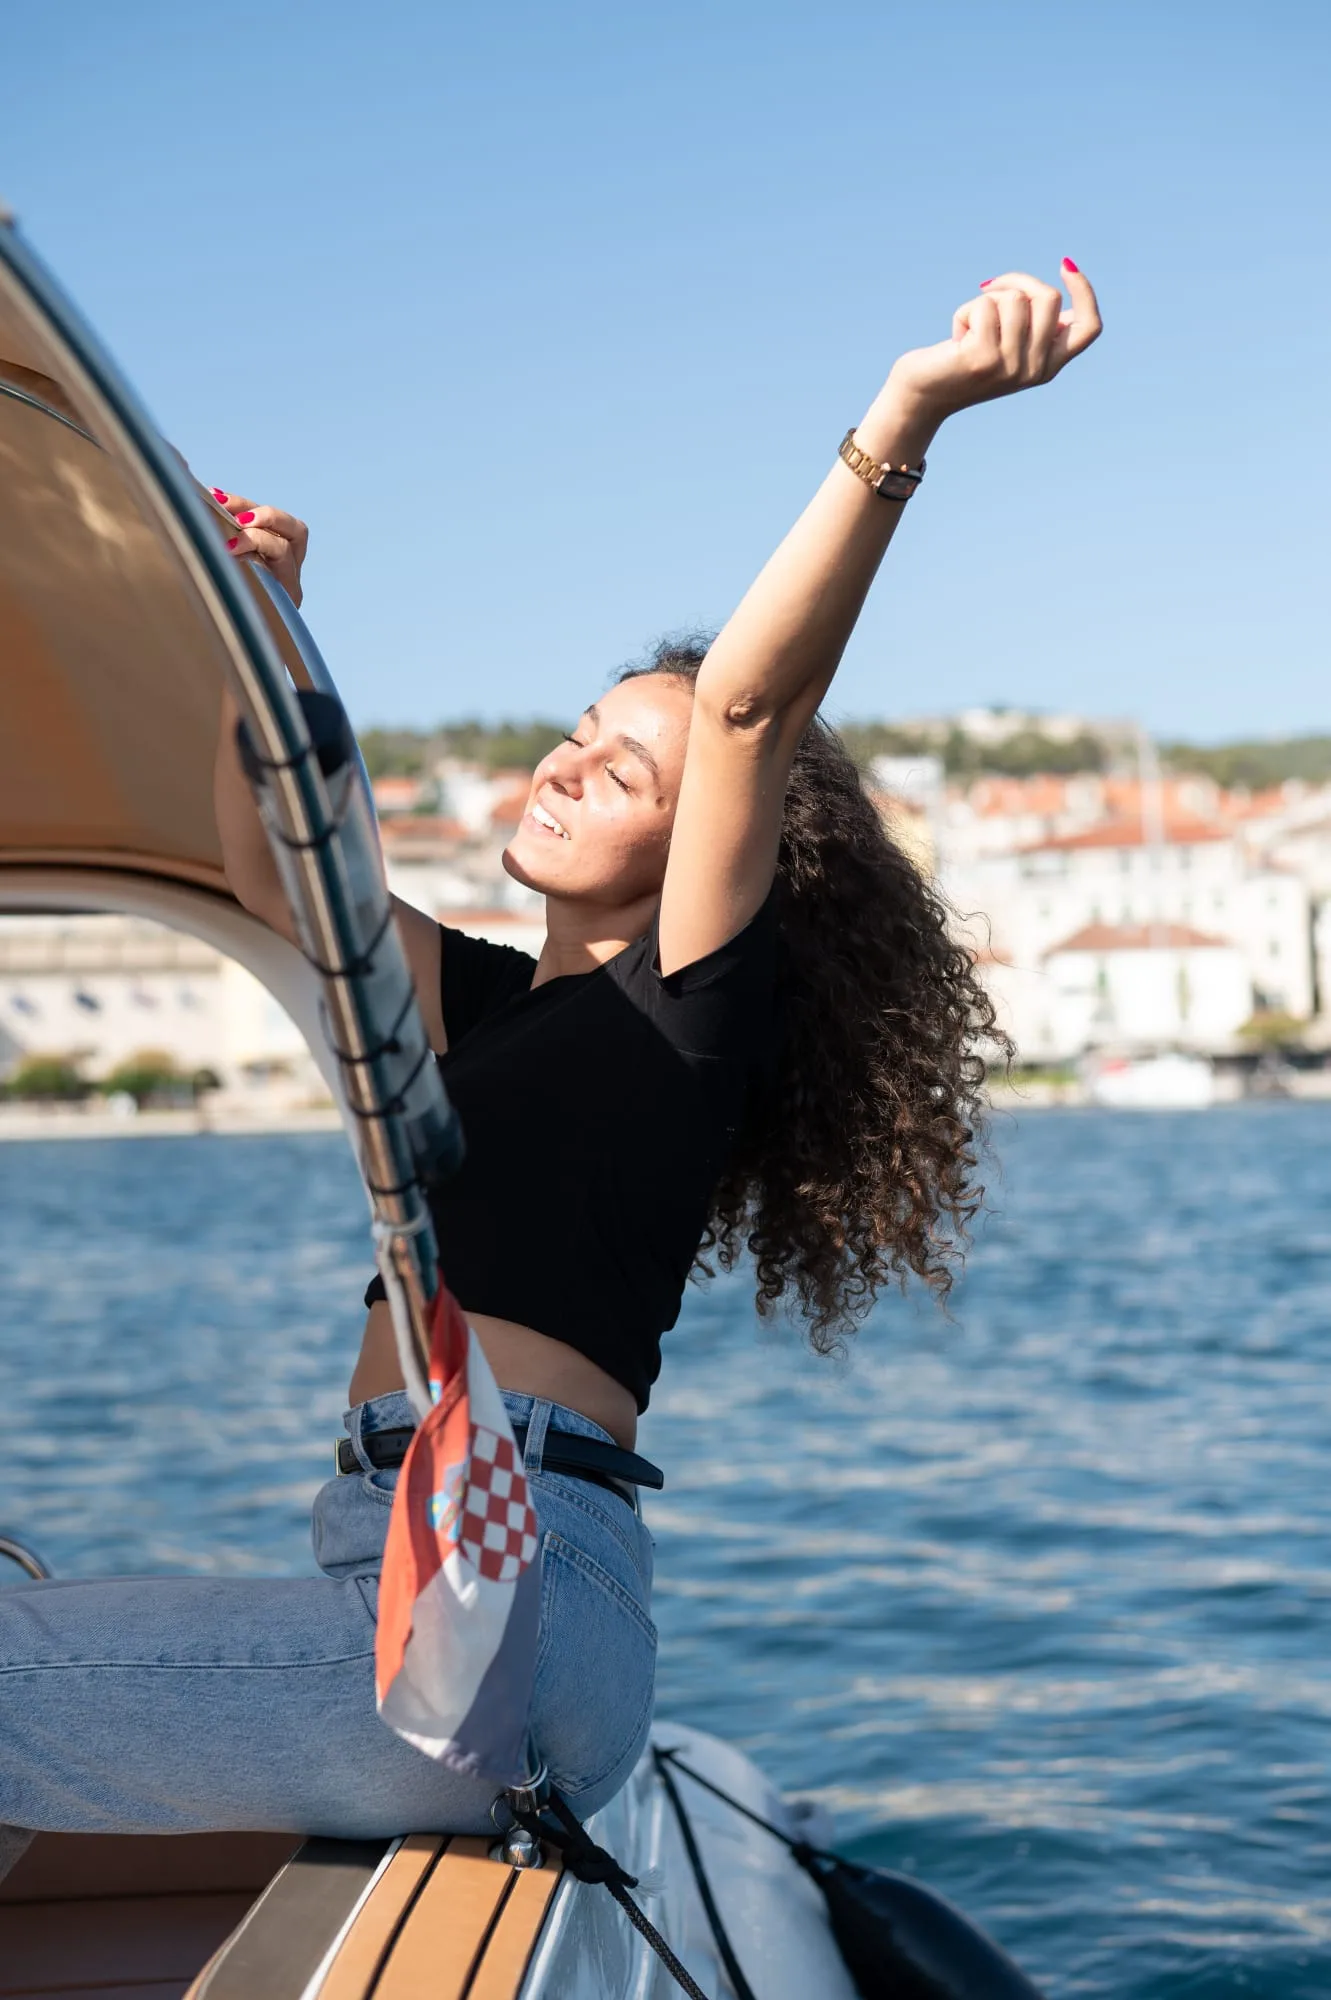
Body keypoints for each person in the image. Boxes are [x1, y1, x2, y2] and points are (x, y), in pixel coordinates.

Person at [0, 264, 1100, 1864]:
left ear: (705, 844)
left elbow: (744, 710)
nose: (571, 758)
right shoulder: (480, 1001)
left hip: (510, 1583)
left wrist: (905, 414)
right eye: (577, 724)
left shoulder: (685, 1013)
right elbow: (274, 865)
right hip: (410, 1565)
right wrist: (271, 619)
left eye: (626, 766)